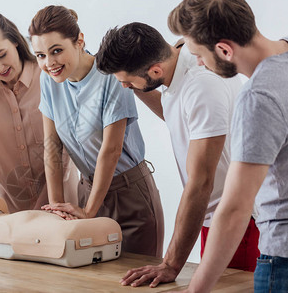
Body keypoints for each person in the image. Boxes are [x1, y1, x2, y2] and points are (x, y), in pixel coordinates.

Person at [96, 21, 259, 287]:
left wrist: (171, 264)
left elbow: (200, 183)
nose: (124, 87)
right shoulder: (181, 53)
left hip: (238, 221)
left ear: (155, 70)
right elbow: (175, 114)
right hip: (214, 215)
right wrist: (135, 83)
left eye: (127, 81)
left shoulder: (202, 87)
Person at [168, 0, 288, 292]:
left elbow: (235, 208)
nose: (196, 61)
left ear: (223, 50)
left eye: (198, 53)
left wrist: (196, 289)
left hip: (282, 259)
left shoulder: (260, 97)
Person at [28, 5, 164, 256]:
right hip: (87, 192)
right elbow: (52, 147)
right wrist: (57, 207)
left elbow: (111, 150)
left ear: (79, 40)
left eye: (56, 51)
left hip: (130, 195)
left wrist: (89, 212)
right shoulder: (48, 79)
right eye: (40, 55)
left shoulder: (111, 75)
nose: (49, 63)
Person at [0, 10, 79, 214]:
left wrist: (43, 208)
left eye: (2, 55)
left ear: (15, 41)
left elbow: (66, 150)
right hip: (6, 212)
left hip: (62, 205)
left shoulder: (50, 73)